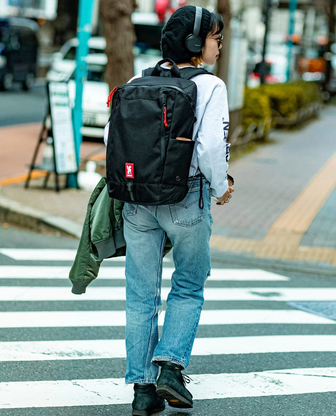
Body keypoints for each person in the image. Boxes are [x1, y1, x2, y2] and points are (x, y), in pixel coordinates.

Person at [107, 6, 233, 415]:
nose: (219, 45)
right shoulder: (211, 86)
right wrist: (221, 185)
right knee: (189, 284)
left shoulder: (137, 81)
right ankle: (170, 367)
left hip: (137, 201)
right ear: (196, 45)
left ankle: (142, 391)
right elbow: (212, 147)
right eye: (216, 38)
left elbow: (113, 137)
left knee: (141, 295)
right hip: (187, 197)